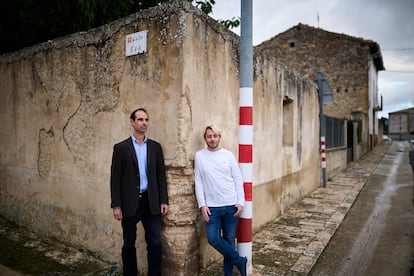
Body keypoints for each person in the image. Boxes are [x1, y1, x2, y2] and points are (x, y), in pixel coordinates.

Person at [110, 108, 169, 276]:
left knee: (155, 243)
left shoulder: (155, 147)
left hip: (151, 202)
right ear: (132, 122)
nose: (144, 123)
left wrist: (164, 200)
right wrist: (116, 205)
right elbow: (115, 179)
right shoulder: (121, 148)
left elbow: (160, 176)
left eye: (146, 120)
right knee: (129, 244)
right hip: (130, 202)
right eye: (140, 119)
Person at [194, 125, 247, 276]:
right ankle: (240, 260)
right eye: (209, 136)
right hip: (212, 207)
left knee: (229, 240)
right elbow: (198, 181)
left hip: (231, 204)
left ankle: (228, 273)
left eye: (215, 136)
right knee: (213, 239)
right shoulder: (200, 156)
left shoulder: (228, 155)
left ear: (219, 137)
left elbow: (237, 178)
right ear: (205, 138)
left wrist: (240, 202)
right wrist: (202, 204)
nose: (212, 139)